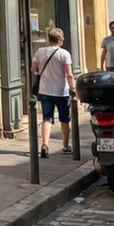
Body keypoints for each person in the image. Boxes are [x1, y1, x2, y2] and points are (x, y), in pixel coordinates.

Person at [32, 28, 75, 158]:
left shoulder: (40, 52)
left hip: (45, 90)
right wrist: (73, 89)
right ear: (60, 40)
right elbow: (69, 74)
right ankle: (66, 145)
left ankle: (45, 145)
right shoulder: (64, 54)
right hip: (61, 92)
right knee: (64, 119)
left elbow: (34, 69)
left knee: (47, 118)